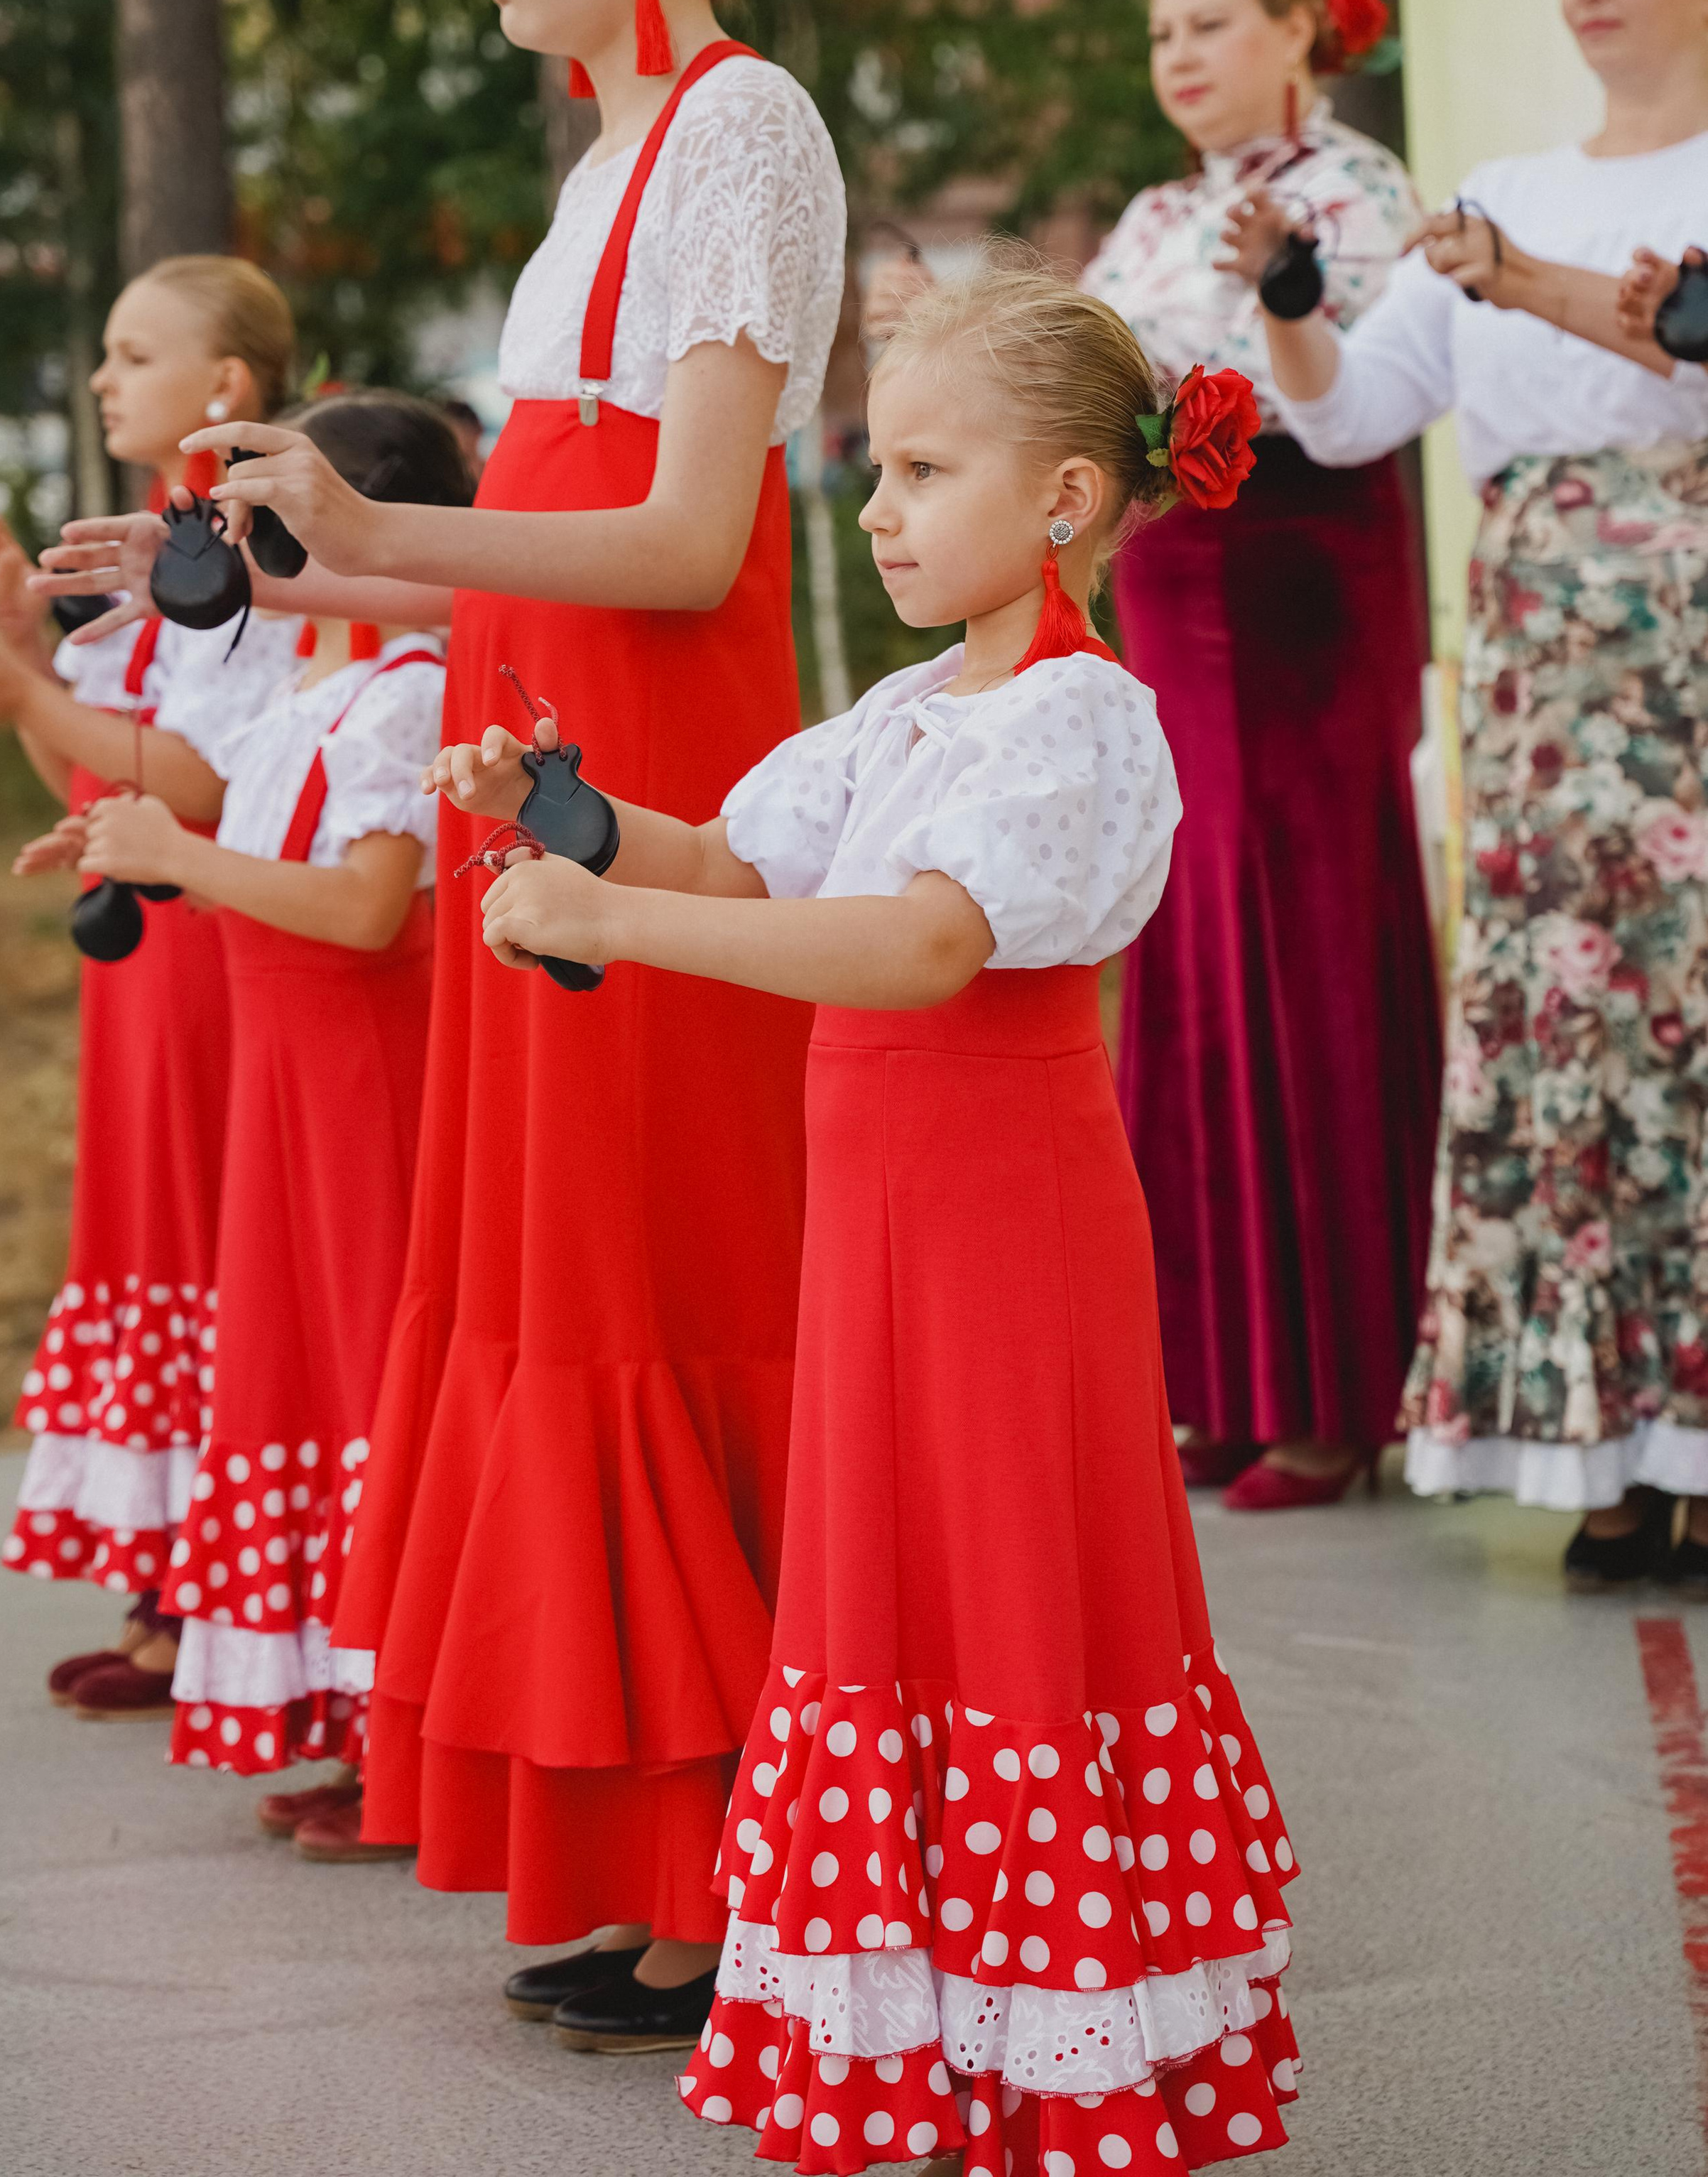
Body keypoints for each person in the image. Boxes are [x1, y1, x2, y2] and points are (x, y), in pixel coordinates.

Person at [97, 0, 848, 2036]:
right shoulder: (611, 153)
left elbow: (696, 547)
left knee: (660, 1279)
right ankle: (652, 1860)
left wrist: (384, 522)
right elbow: (541, 580)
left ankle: (742, 1876)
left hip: (648, 796)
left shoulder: (739, 129)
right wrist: (284, 580)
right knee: (563, 1288)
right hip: (546, 764)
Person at [451, 257, 1300, 2169]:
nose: (881, 509)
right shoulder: (919, 707)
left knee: (1008, 1579)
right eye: (877, 469)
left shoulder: (1074, 726)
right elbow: (734, 852)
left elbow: (923, 947)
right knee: (888, 1587)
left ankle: (1062, 2054)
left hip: (1012, 1248)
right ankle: (930, 2030)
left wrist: (615, 928)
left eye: (923, 472)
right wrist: (564, 815)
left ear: (1065, 502)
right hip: (887, 1247)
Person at [1222, 0, 1708, 1591]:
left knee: (1686, 1026)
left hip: (1685, 647)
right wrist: (1290, 304)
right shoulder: (1499, 189)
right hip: (1528, 661)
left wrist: (1532, 288)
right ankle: (1602, 1454)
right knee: (1553, 1030)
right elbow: (1354, 419)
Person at [1070, 0, 1440, 1509]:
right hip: (1169, 582)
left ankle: (1335, 1391)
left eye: (1210, 25)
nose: (1180, 60)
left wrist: (1276, 295)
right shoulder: (1151, 215)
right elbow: (1083, 373)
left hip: (1299, 581)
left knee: (1296, 936)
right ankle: (1220, 1371)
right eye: (1162, 34)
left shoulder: (1358, 194)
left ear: (1298, 28)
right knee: (1190, 939)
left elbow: (1355, 391)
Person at [0, 259, 300, 1705]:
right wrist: (26, 667)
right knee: (151, 1236)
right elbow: (92, 766)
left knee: (208, 1239)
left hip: (208, 944)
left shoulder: (248, 559)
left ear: (225, 389)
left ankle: (213, 1594)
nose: (100, 378)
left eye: (134, 353)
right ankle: (172, 1575)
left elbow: (197, 779)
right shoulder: (147, 580)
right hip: (137, 951)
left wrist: (32, 689)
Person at [72, 394, 464, 1781]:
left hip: (365, 1102)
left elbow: (363, 911)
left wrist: (179, 856)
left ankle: (409, 1737)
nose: (230, 542)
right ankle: (347, 1716)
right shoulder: (312, 692)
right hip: (287, 1103)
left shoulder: (409, 691)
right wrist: (146, 846)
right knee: (301, 1388)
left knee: (367, 1389)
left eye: (259, 516)